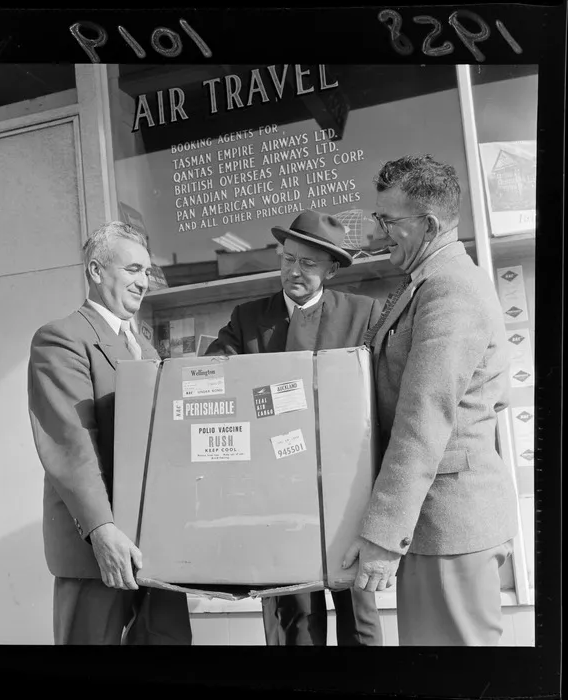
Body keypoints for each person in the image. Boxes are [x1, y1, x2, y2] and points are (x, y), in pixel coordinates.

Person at [342, 154, 518, 646]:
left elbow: (424, 417)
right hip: (434, 525)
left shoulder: (449, 289)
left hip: (448, 528)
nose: (379, 231)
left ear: (430, 224)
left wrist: (383, 534)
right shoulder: (426, 282)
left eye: (388, 220)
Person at [206, 209, 383, 646]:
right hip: (277, 495)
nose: (293, 271)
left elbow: (384, 399)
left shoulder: (365, 314)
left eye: (307, 263)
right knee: (293, 623)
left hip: (349, 492)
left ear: (330, 269)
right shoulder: (248, 317)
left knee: (358, 618)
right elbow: (212, 382)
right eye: (287, 259)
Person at [28, 221, 192, 645]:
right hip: (95, 552)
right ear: (97, 271)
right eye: (133, 270)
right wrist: (102, 530)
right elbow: (71, 445)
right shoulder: (62, 338)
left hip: (157, 551)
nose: (144, 282)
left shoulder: (148, 350)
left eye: (147, 273)